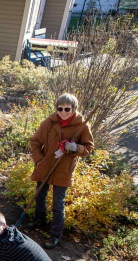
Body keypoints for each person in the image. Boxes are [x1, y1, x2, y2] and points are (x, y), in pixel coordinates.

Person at [27, 93, 94, 249]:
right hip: (45, 166)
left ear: (74, 109)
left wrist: (76, 148)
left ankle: (55, 236)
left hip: (64, 169)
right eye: (60, 108)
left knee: (58, 204)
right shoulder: (48, 123)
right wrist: (38, 160)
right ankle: (39, 219)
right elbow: (34, 141)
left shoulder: (82, 125)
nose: (63, 112)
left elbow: (89, 148)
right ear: (56, 108)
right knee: (40, 195)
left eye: (67, 109)